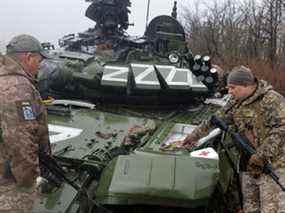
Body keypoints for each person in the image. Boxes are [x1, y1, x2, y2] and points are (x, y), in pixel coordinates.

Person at [180, 65, 285, 212]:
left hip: (272, 166)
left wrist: (262, 155)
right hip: (248, 165)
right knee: (250, 208)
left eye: (233, 87)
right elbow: (215, 119)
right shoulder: (235, 103)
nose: (229, 91)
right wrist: (193, 136)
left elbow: (282, 129)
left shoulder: (272, 100)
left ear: (247, 85)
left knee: (271, 209)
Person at [0, 34, 52, 211]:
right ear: (28, 57)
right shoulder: (18, 87)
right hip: (9, 183)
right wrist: (32, 181)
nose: (40, 66)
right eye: (39, 60)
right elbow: (20, 139)